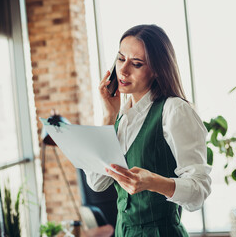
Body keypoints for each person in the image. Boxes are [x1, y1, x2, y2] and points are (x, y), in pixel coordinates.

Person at [84, 24, 211, 237]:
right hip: (123, 232)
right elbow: (97, 183)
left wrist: (152, 182)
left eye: (136, 63)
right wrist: (109, 116)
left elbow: (199, 191)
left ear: (157, 70)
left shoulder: (174, 110)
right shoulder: (121, 117)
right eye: (120, 58)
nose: (123, 70)